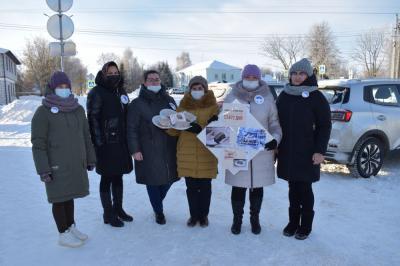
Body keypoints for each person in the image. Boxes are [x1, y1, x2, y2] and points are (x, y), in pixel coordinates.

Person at [31, 71, 96, 247]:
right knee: (59, 198)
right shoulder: (43, 112)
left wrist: (90, 158)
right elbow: (38, 144)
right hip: (55, 165)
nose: (64, 89)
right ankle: (63, 233)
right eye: (60, 86)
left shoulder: (77, 109)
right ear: (52, 88)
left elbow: (86, 136)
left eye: (66, 86)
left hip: (76, 162)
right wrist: (43, 169)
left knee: (69, 196)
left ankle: (71, 226)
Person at [276, 58, 331, 240]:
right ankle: (293, 223)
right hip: (288, 150)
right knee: (293, 189)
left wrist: (320, 150)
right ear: (290, 75)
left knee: (305, 189)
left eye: (301, 74)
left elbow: (325, 126)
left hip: (308, 152)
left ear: (308, 76)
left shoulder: (316, 97)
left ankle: (305, 226)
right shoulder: (284, 95)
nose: (297, 77)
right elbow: (275, 123)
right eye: (294, 73)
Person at [223, 64, 282, 235]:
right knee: (238, 187)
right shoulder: (232, 97)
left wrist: (275, 140)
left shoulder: (268, 99)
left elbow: (274, 124)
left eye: (253, 77)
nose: (250, 80)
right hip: (237, 150)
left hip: (260, 151)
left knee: (257, 187)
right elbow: (225, 121)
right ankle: (237, 220)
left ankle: (254, 219)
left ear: (259, 79)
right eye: (247, 77)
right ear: (242, 78)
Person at [127, 70, 178, 225]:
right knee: (153, 180)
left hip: (169, 146)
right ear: (144, 83)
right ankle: (158, 211)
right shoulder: (137, 104)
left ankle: (157, 202)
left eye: (157, 79)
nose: (154, 82)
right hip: (148, 148)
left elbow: (177, 120)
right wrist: (135, 150)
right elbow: (131, 128)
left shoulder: (169, 100)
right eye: (151, 80)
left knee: (169, 179)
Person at [166, 76, 219, 227]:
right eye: (194, 89)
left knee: (205, 188)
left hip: (206, 153)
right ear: (189, 90)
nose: (197, 91)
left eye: (200, 88)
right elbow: (173, 132)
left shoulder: (214, 107)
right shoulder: (182, 107)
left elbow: (221, 132)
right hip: (186, 153)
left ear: (205, 90)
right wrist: (173, 124)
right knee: (191, 188)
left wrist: (215, 122)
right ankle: (193, 215)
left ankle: (204, 216)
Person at [87, 61, 133, 228]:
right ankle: (108, 213)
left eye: (116, 72)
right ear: (104, 73)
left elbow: (126, 113)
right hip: (105, 144)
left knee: (118, 175)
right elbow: (92, 119)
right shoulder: (96, 92)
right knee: (107, 177)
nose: (114, 75)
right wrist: (99, 144)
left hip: (121, 142)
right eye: (110, 72)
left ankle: (118, 208)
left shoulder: (120, 90)